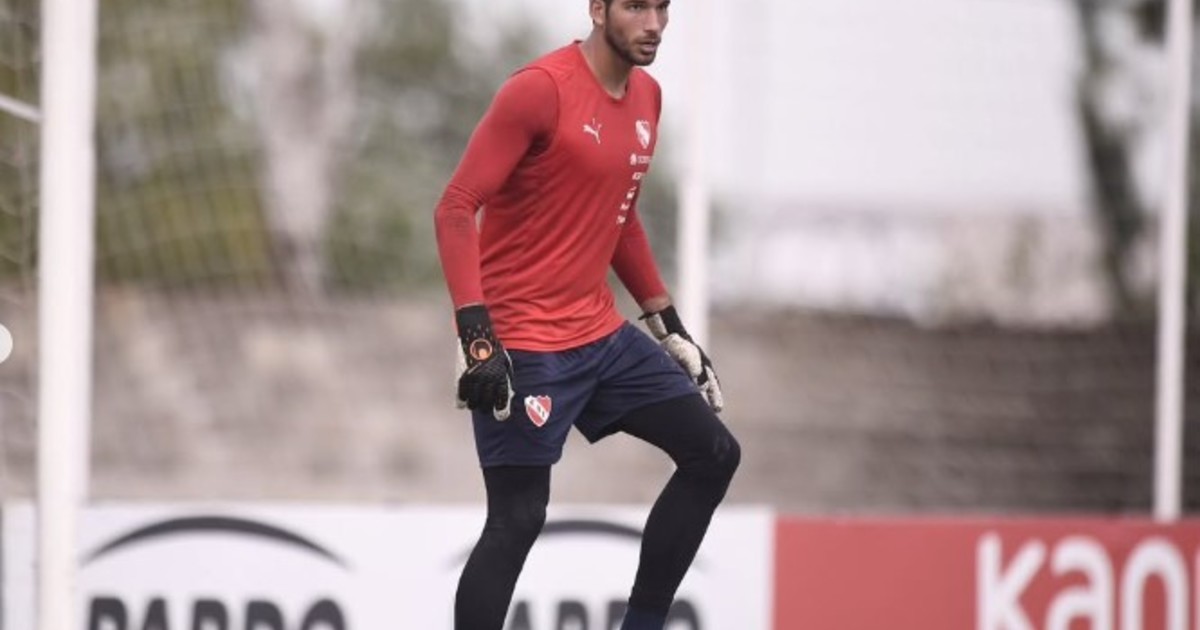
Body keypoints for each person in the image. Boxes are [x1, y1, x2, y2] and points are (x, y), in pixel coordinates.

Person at [433, 1, 740, 628]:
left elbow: (619, 218)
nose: (653, 24)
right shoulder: (538, 91)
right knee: (518, 517)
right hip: (525, 342)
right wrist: (478, 337)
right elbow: (455, 208)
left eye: (663, 8)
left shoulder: (649, 98)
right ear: (598, 10)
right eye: (635, 6)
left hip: (600, 336)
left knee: (714, 454)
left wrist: (669, 327)